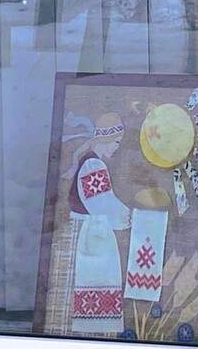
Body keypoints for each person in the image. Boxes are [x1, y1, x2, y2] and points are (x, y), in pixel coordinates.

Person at [61, 112, 132, 335]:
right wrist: (129, 217)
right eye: (117, 142)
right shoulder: (93, 164)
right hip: (85, 233)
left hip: (88, 229)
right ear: (106, 138)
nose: (117, 148)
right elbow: (102, 203)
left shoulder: (92, 162)